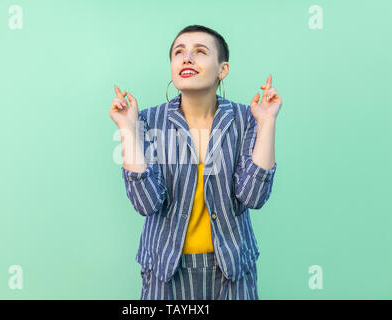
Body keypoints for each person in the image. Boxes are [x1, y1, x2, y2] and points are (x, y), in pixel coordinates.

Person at [110, 25, 282, 300]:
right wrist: (128, 129)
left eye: (200, 51)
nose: (187, 58)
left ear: (222, 69)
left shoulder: (246, 118)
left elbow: (254, 196)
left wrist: (267, 121)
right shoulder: (147, 120)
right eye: (179, 52)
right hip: (165, 271)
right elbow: (145, 203)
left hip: (232, 270)